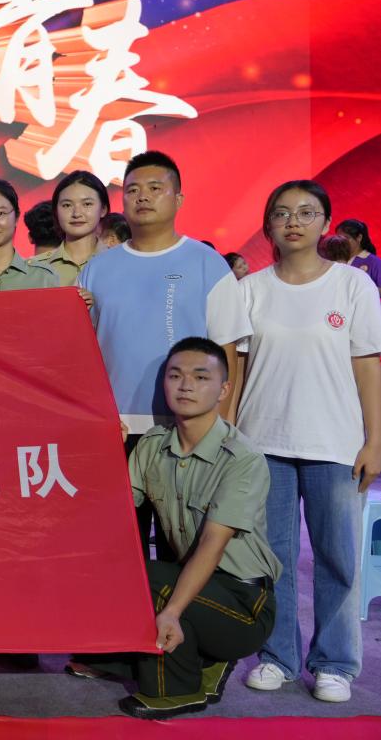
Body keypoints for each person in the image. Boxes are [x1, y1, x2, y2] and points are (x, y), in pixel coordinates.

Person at [69, 337, 280, 720]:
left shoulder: (242, 458)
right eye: (175, 375)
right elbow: (111, 510)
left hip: (243, 602)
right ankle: (192, 656)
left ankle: (180, 688)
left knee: (150, 581)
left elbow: (212, 545)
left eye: (201, 377)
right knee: (109, 568)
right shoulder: (153, 445)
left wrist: (173, 612)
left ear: (223, 390)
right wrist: (104, 452)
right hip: (194, 583)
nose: (186, 386)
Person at [236, 181, 381, 703]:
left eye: (305, 212)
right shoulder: (251, 289)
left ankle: (335, 663)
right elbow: (238, 368)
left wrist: (375, 440)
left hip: (334, 442)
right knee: (270, 558)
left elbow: (368, 365)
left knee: (337, 558)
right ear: (268, 225)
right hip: (263, 441)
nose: (293, 221)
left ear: (326, 223)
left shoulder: (352, 285)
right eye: (281, 213)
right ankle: (277, 657)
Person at [78, 151, 251, 438]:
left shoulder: (208, 263)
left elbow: (226, 353)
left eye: (155, 188)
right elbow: (81, 353)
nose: (142, 197)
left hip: (186, 425)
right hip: (113, 426)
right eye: (133, 190)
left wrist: (215, 431)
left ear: (178, 199)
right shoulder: (96, 269)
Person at [31, 170, 109, 287]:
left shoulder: (121, 263)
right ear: (56, 211)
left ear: (103, 209)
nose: (76, 213)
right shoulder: (34, 269)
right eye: (67, 205)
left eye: (87, 204)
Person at [335, 218, 381, 292]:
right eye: (339, 238)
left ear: (359, 237)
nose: (341, 242)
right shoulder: (334, 260)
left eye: (346, 238)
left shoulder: (374, 262)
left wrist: (362, 291)